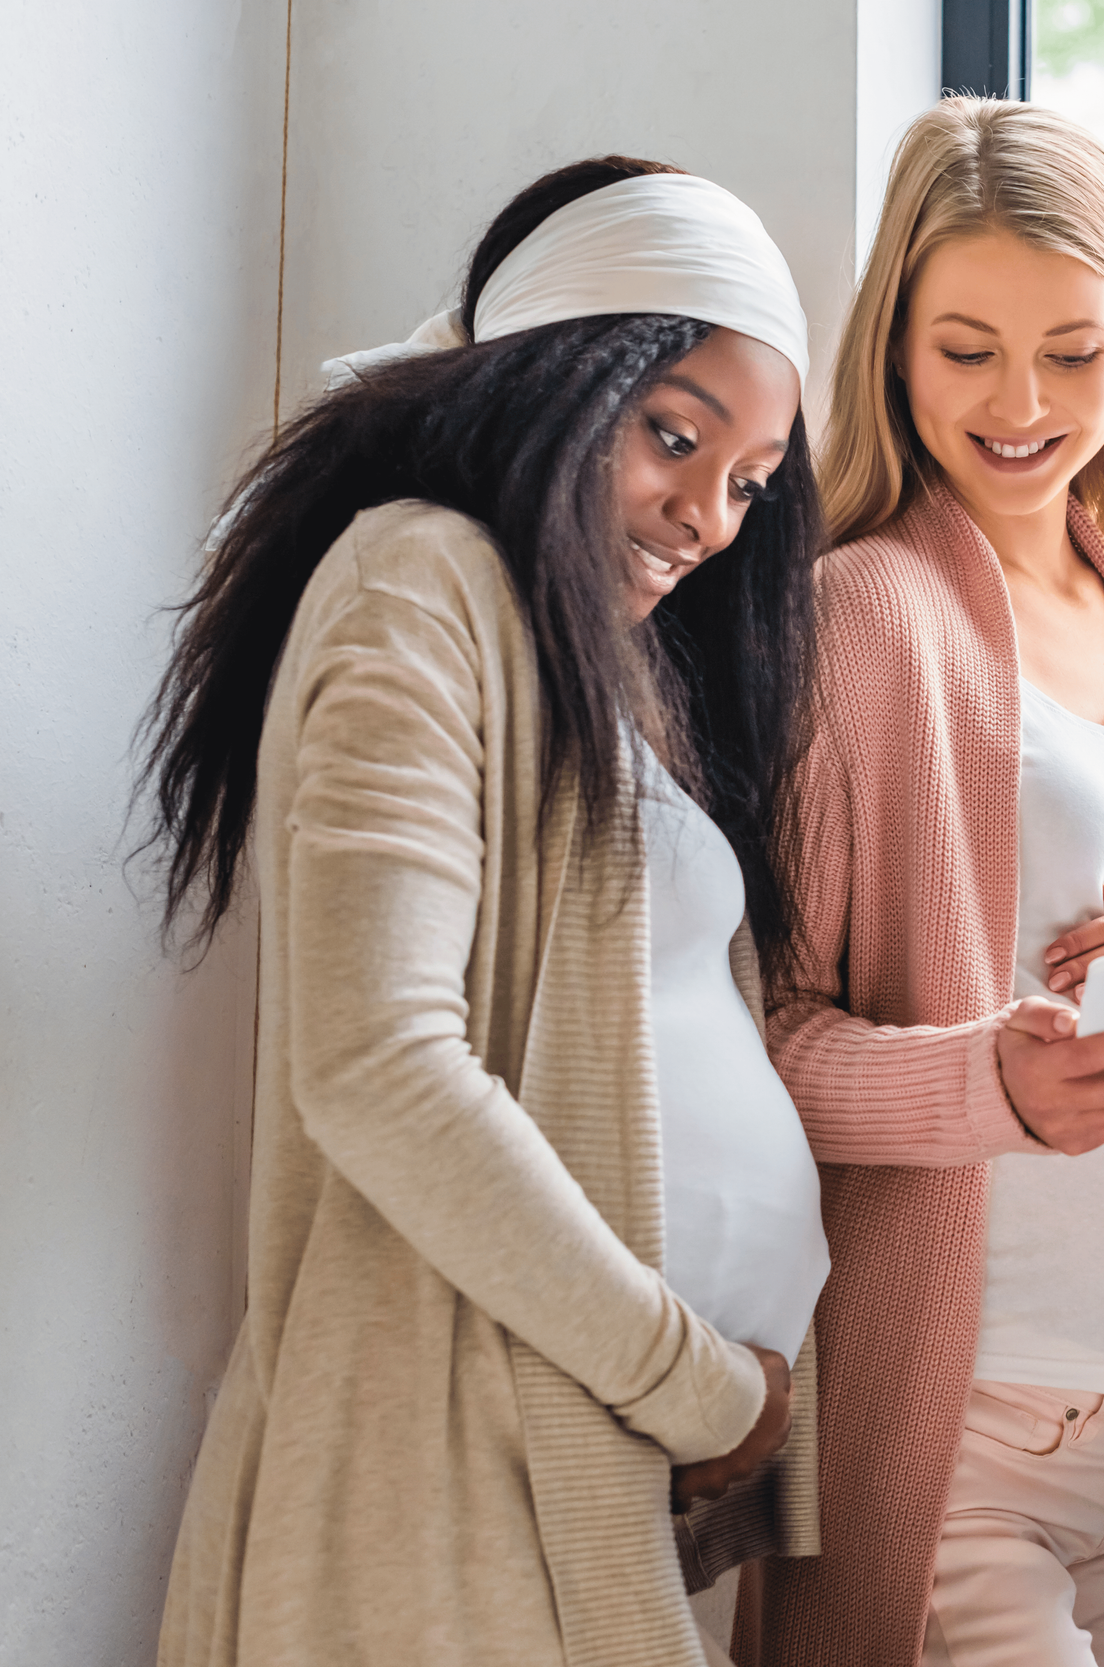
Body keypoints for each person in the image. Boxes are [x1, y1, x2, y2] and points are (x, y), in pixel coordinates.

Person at [142, 157, 829, 1667]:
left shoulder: (595, 652)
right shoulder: (419, 579)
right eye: (673, 436)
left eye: (751, 480)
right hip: (445, 1463)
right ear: (552, 374)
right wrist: (704, 1386)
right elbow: (381, 1066)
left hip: (582, 1454)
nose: (709, 516)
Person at [737, 99, 1104, 1667]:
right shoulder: (865, 614)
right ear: (894, 348)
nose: (1023, 401)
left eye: (1075, 351)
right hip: (977, 1433)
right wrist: (991, 1087)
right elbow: (764, 1035)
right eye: (966, 347)